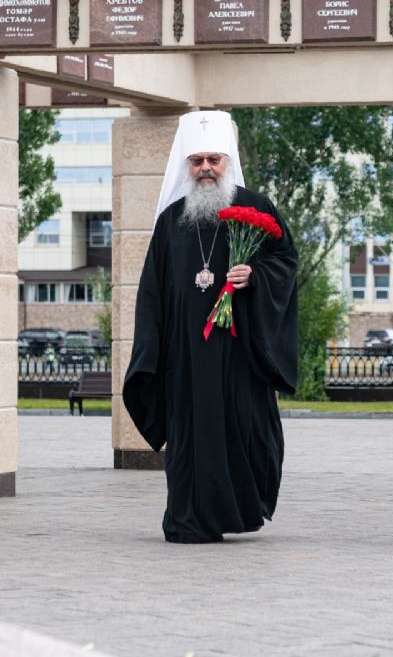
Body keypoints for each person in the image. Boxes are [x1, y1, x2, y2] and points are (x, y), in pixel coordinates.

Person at [123, 111, 300, 544]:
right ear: (187, 164)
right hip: (185, 354)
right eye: (197, 160)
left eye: (214, 160)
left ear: (227, 162)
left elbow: (286, 264)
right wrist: (152, 350)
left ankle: (236, 510)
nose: (206, 168)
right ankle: (187, 517)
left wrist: (255, 275)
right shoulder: (171, 221)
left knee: (245, 432)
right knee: (190, 436)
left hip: (239, 352)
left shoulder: (256, 208)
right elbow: (152, 291)